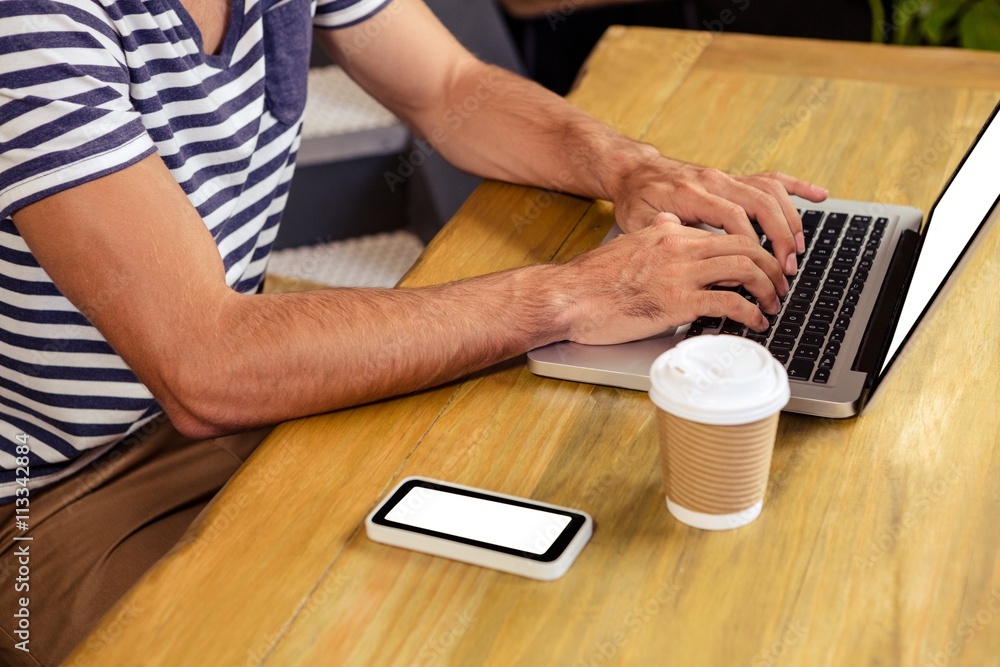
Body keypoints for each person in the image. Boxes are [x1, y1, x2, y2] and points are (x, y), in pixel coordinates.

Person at [0, 0, 827, 662]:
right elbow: (207, 361)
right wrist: (570, 294)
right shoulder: (35, 21)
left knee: (538, 536)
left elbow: (452, 87)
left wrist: (628, 165)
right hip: (49, 491)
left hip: (232, 399)